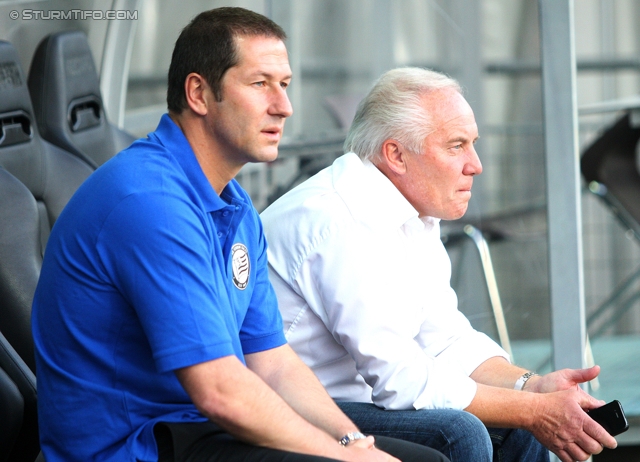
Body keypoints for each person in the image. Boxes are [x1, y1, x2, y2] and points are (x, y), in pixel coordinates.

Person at [31, 10, 450, 462]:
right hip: (138, 447)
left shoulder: (233, 204)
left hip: (198, 430)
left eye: (285, 84)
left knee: (431, 455)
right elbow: (220, 392)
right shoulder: (150, 202)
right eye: (260, 83)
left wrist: (349, 440)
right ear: (199, 93)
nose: (283, 106)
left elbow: (272, 363)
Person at [261, 67, 619, 462]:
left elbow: (445, 340)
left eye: (473, 144)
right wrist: (533, 411)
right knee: (462, 431)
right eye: (456, 146)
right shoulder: (341, 220)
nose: (475, 165)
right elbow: (400, 380)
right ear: (395, 154)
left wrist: (530, 387)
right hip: (303, 408)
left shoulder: (411, 210)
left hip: (359, 399)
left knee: (521, 422)